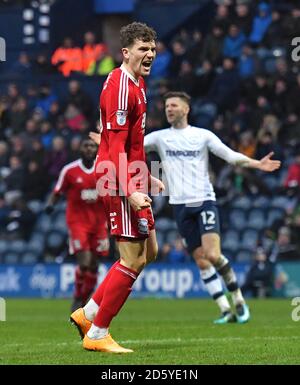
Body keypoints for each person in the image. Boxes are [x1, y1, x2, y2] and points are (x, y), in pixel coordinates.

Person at [144, 91, 281, 323]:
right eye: (167, 106)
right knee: (201, 260)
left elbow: (230, 156)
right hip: (179, 206)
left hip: (204, 200)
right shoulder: (158, 137)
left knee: (213, 255)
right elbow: (130, 146)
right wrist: (107, 142)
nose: (169, 109)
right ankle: (226, 310)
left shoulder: (202, 135)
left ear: (186, 109)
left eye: (174, 105)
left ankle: (239, 300)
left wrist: (257, 163)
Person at [70, 22, 163, 354]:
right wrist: (131, 188)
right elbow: (115, 149)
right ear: (126, 52)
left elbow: (127, 143)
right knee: (132, 258)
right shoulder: (121, 87)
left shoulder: (138, 83)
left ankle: (89, 313)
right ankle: (97, 333)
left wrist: (145, 177)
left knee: (149, 253)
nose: (150, 54)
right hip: (116, 177)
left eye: (152, 49)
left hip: (131, 173)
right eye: (143, 49)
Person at [45, 138, 109, 312]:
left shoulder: (104, 169)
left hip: (100, 224)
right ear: (80, 149)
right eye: (86, 145)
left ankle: (84, 298)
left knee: (94, 265)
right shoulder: (70, 170)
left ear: (97, 149)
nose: (89, 149)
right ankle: (78, 297)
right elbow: (57, 191)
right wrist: (51, 204)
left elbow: (113, 192)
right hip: (77, 223)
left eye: (92, 146)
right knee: (84, 262)